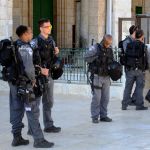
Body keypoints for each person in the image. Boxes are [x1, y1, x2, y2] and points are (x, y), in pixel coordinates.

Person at [9, 25, 54, 148]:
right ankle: (39, 140)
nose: (31, 34)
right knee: (32, 110)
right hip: (26, 84)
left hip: (14, 84)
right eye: (29, 32)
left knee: (16, 109)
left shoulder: (14, 46)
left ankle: (16, 138)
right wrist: (34, 79)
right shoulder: (25, 47)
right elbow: (29, 68)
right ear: (24, 34)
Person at [30, 18, 61, 133]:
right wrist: (40, 70)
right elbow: (28, 61)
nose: (49, 29)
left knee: (49, 101)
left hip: (49, 75)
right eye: (47, 27)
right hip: (38, 77)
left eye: (50, 27)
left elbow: (52, 57)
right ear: (41, 28)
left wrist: (56, 52)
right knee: (36, 103)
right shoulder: (34, 42)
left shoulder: (52, 41)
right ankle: (33, 128)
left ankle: (48, 125)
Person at [85, 34, 114, 123]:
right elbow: (86, 57)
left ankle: (103, 115)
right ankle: (94, 117)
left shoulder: (110, 49)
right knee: (97, 98)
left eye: (110, 43)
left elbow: (112, 61)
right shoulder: (95, 48)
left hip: (106, 76)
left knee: (106, 98)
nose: (109, 45)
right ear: (104, 41)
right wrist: (96, 56)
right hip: (97, 76)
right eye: (108, 43)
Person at [122, 29, 148, 110]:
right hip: (139, 70)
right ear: (142, 37)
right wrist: (145, 68)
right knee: (140, 87)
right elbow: (145, 58)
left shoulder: (129, 44)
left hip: (130, 69)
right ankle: (139, 105)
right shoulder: (143, 46)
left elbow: (126, 56)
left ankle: (124, 105)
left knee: (128, 87)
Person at [121, 25, 138, 106]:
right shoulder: (126, 41)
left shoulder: (135, 40)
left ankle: (133, 99)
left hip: (136, 66)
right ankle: (126, 101)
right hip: (129, 66)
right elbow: (128, 53)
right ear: (134, 31)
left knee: (139, 83)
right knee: (129, 85)